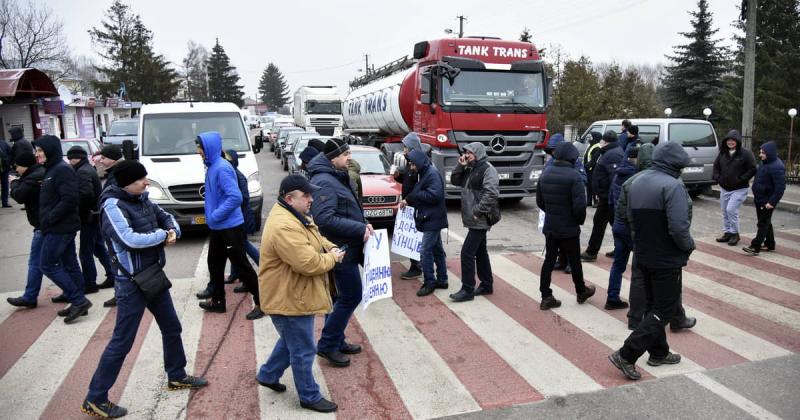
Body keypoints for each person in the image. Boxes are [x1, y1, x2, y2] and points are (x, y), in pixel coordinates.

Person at [81, 160, 208, 418]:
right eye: (141, 179)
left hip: (152, 274)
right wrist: (164, 236)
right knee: (122, 341)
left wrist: (172, 229)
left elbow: (167, 217)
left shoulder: (142, 199)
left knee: (172, 326)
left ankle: (176, 375)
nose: (146, 182)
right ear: (127, 182)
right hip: (131, 282)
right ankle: (95, 398)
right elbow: (129, 240)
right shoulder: (112, 205)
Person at [256, 175, 344, 413]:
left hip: (290, 293)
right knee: (303, 349)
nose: (311, 199)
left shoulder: (292, 215)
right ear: (289, 198)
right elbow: (309, 263)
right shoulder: (284, 225)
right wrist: (332, 258)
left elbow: (314, 237)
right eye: (306, 195)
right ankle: (309, 395)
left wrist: (329, 246)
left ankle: (267, 374)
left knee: (291, 342)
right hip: (290, 297)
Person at [609, 142, 694, 380]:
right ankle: (626, 354)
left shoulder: (637, 182)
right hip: (665, 258)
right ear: (675, 164)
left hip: (643, 253)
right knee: (664, 309)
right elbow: (678, 228)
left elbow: (629, 218)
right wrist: (689, 245)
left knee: (653, 306)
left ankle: (659, 352)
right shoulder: (673, 186)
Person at [308, 137, 371, 367]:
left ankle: (337, 338)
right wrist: (359, 227)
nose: (349, 158)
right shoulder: (325, 181)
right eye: (346, 155)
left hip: (346, 248)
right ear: (333, 158)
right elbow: (324, 218)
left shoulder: (333, 175)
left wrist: (362, 224)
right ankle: (327, 345)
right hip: (340, 249)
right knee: (352, 295)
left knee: (336, 298)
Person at [196, 132, 262, 320]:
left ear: (209, 148)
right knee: (214, 264)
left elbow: (235, 197)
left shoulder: (222, 168)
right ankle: (217, 301)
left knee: (242, 266)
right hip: (218, 227)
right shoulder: (212, 166)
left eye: (200, 147)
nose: (197, 151)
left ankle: (261, 302)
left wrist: (216, 215)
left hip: (230, 227)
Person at [35, 135, 92, 323]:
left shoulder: (61, 170)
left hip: (60, 227)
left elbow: (69, 199)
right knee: (70, 264)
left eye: (40, 150)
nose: (37, 154)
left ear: (50, 150)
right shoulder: (52, 169)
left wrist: (50, 219)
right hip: (59, 226)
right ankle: (77, 299)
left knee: (47, 264)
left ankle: (78, 300)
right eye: (37, 150)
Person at [536, 141, 595, 309]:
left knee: (549, 260)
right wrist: (577, 221)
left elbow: (540, 201)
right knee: (575, 261)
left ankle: (546, 295)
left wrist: (552, 212)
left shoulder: (545, 173)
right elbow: (579, 206)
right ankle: (581, 290)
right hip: (569, 227)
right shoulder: (574, 176)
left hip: (551, 226)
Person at [449, 142, 500, 302]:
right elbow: (455, 181)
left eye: (469, 153)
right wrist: (460, 166)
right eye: (465, 153)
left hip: (480, 219)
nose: (466, 155)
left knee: (467, 253)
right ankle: (486, 284)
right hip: (474, 218)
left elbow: (491, 193)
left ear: (477, 153)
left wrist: (477, 211)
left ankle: (467, 289)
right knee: (480, 252)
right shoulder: (470, 168)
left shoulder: (487, 169)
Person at [68, 146, 114, 294]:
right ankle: (112, 275)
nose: (69, 161)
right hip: (95, 215)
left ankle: (90, 283)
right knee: (99, 248)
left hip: (90, 217)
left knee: (85, 252)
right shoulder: (87, 169)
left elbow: (86, 195)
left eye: (71, 158)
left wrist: (80, 210)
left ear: (77, 158)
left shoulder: (82, 172)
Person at [402, 149, 448, 297]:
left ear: (419, 162)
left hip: (432, 218)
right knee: (437, 250)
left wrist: (416, 196)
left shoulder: (431, 173)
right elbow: (420, 189)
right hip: (432, 217)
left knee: (425, 251)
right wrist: (408, 199)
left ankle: (429, 282)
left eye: (413, 165)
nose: (412, 168)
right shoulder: (425, 171)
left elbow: (435, 195)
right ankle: (442, 279)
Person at [6, 152, 46, 308]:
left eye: (17, 165)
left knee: (36, 263)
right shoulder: (37, 173)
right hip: (47, 224)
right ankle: (74, 293)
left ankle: (30, 296)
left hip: (42, 226)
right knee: (61, 262)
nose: (16, 168)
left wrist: (14, 183)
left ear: (24, 165)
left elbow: (19, 196)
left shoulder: (32, 177)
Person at [545, 133, 587, 274]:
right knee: (557, 238)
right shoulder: (551, 162)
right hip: (555, 206)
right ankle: (562, 260)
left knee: (571, 238)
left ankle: (570, 262)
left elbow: (582, 178)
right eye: (551, 150)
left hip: (569, 205)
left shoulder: (574, 161)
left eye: (555, 150)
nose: (553, 153)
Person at [605, 145, 639, 311]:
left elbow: (611, 200)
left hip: (618, 224)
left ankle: (612, 297)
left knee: (618, 264)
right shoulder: (636, 177)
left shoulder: (618, 173)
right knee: (640, 267)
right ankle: (638, 305)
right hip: (630, 227)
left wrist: (615, 222)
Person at [583, 130, 624, 261]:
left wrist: (608, 196)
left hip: (608, 197)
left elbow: (614, 178)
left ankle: (591, 252)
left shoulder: (613, 154)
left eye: (602, 141)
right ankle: (620, 248)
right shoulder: (609, 151)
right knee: (613, 222)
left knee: (599, 222)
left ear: (605, 141)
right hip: (606, 196)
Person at [713, 129, 757, 247]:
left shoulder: (745, 154)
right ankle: (727, 232)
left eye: (733, 140)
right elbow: (716, 166)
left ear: (737, 141)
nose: (731, 142)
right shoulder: (723, 153)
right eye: (729, 140)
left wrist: (741, 179)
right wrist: (718, 178)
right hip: (725, 188)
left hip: (739, 188)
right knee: (725, 211)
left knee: (731, 210)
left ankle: (735, 234)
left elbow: (753, 168)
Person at [743, 141, 785, 255]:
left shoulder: (777, 167)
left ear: (770, 153)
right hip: (760, 199)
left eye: (763, 153)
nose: (760, 155)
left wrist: (771, 202)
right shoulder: (765, 163)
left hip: (767, 201)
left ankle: (755, 246)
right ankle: (770, 244)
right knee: (766, 222)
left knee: (763, 223)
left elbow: (780, 188)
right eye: (760, 152)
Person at [392, 133, 425, 279]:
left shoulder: (418, 163)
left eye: (405, 147)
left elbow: (418, 187)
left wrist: (408, 200)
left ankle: (417, 266)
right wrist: (398, 175)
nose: (403, 150)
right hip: (410, 204)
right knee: (419, 237)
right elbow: (407, 179)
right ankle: (426, 261)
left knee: (414, 237)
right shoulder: (409, 162)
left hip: (415, 205)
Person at [96, 144, 125, 307]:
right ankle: (120, 293)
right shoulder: (114, 173)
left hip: (115, 223)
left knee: (118, 259)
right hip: (113, 222)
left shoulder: (117, 175)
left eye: (104, 157)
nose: (101, 160)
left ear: (113, 159)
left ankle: (121, 294)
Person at [583, 131, 603, 207]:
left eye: (591, 137)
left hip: (593, 169)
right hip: (588, 169)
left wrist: (586, 166)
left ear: (595, 138)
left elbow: (594, 160)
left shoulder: (597, 147)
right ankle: (588, 201)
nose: (589, 138)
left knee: (594, 186)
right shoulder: (591, 145)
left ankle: (596, 201)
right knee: (588, 186)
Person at [0, 135, 11, 207]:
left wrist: (8, 161)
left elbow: (10, 152)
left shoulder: (3, 143)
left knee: (5, 185)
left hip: (4, 168)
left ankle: (5, 202)